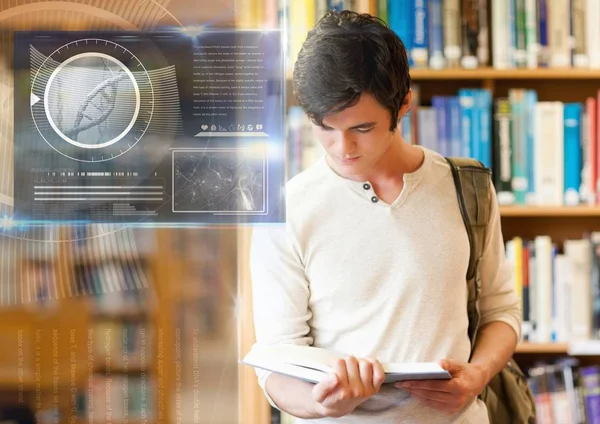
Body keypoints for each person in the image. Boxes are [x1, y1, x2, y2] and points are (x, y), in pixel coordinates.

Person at [249, 10, 521, 423]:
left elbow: (502, 311)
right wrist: (322, 403)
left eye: (362, 127)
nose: (341, 147)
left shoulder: (467, 187)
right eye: (324, 127)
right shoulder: (285, 211)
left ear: (404, 104)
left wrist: (478, 374)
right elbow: (274, 364)